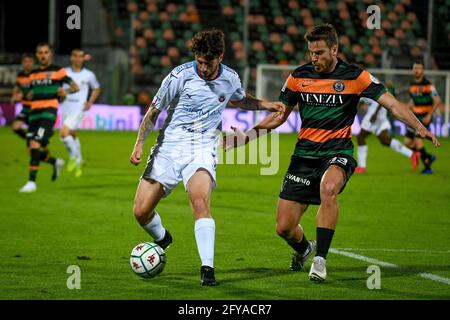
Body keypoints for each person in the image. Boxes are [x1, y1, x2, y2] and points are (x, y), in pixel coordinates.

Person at [224, 24, 439, 282]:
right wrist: (247, 137)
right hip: (304, 156)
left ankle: (320, 260)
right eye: (310, 53)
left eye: (319, 52)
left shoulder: (355, 76)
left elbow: (392, 104)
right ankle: (305, 249)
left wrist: (419, 127)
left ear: (334, 49)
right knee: (284, 227)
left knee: (328, 188)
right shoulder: (298, 76)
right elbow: (279, 116)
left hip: (337, 152)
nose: (313, 58)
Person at [129, 29, 282, 286]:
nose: (203, 67)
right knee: (141, 211)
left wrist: (266, 105)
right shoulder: (179, 76)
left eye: (208, 62)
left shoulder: (230, 78)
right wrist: (138, 145)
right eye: (199, 61)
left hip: (202, 147)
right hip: (169, 148)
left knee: (199, 202)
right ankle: (163, 238)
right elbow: (154, 111)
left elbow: (241, 100)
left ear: (220, 57)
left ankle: (207, 269)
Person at [19, 43, 79, 193]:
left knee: (34, 144)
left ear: (50, 54)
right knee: (31, 150)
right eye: (40, 53)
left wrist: (64, 91)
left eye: (46, 52)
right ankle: (55, 162)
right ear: (37, 55)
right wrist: (25, 95)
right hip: (34, 114)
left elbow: (75, 87)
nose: (43, 55)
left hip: (48, 113)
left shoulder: (58, 71)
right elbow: (31, 94)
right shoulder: (32, 74)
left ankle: (31, 183)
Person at [60, 48, 101, 177]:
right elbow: (59, 87)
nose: (77, 58)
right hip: (66, 106)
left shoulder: (89, 75)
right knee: (71, 134)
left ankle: (73, 157)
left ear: (83, 59)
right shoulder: (64, 72)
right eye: (75, 56)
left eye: (80, 56)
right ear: (71, 58)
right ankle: (79, 159)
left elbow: (96, 88)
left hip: (79, 107)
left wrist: (90, 102)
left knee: (63, 133)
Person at [355, 94, 420, 173]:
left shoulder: (369, 83)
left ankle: (362, 167)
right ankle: (412, 154)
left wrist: (375, 113)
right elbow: (362, 100)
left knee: (360, 137)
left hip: (374, 115)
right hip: (380, 115)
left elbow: (380, 97)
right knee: (385, 140)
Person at [404, 60, 442, 174]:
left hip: (425, 118)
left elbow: (437, 100)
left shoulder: (428, 85)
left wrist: (430, 114)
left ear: (423, 70)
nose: (416, 70)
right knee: (407, 143)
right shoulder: (412, 86)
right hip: (415, 119)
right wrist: (404, 111)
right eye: (415, 68)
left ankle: (427, 167)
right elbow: (412, 102)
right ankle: (428, 156)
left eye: (419, 68)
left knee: (417, 142)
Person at [11, 53, 34, 140]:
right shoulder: (20, 75)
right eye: (25, 61)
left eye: (29, 61)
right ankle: (29, 139)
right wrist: (14, 95)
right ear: (22, 63)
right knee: (16, 127)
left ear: (33, 63)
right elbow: (17, 87)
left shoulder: (36, 75)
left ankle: (46, 153)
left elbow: (37, 90)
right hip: (25, 109)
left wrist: (28, 93)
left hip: (34, 109)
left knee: (37, 135)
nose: (27, 63)